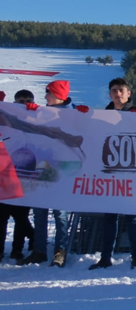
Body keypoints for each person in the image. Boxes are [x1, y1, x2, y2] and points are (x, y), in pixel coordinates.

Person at [19, 80, 84, 267]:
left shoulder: (74, 113)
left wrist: (87, 115)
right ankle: (39, 250)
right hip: (42, 167)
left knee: (60, 214)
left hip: (63, 170)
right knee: (39, 211)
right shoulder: (42, 112)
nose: (45, 96)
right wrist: (25, 111)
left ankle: (60, 251)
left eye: (48, 93)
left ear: (58, 95)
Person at [90, 78, 136, 270]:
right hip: (110, 172)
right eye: (114, 90)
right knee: (109, 217)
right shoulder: (102, 115)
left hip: (131, 172)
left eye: (121, 90)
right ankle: (106, 257)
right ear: (109, 94)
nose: (118, 94)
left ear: (128, 93)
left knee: (132, 216)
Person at [0, 91, 36, 262]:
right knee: (2, 216)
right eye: (21, 101)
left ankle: (17, 249)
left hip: (26, 173)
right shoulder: (6, 115)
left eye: (28, 101)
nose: (24, 104)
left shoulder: (38, 116)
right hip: (5, 175)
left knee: (21, 217)